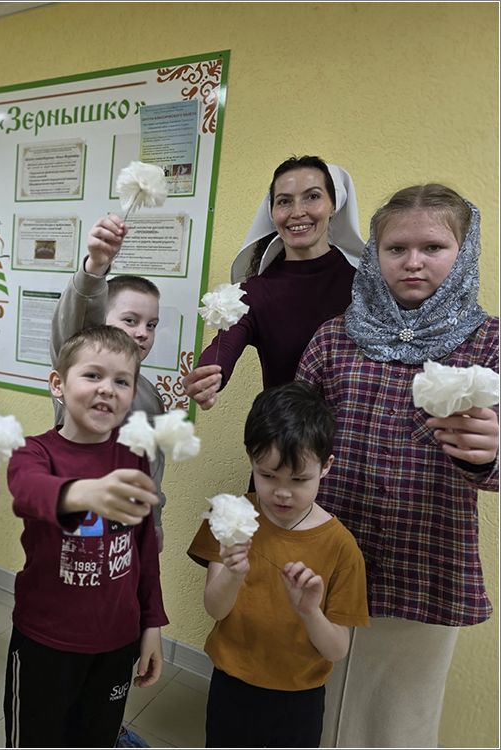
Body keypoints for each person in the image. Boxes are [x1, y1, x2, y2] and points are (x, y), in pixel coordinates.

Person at [297, 184, 498, 747]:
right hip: (329, 550)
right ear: (374, 254)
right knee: (314, 697)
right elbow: (292, 433)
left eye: (433, 247)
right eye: (395, 248)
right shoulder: (334, 338)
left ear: (464, 251)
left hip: (424, 561)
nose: (413, 262)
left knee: (401, 716)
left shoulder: (488, 344)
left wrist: (490, 452)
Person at [4, 326, 168, 748]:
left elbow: (145, 548)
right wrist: (82, 493)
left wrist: (151, 623)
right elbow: (26, 491)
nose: (107, 389)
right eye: (92, 375)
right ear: (58, 384)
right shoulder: (34, 452)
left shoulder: (134, 456)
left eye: (122, 381)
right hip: (45, 641)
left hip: (116, 642)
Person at [187, 382, 369, 747]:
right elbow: (215, 609)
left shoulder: (340, 547)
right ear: (251, 458)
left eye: (299, 480)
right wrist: (233, 574)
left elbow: (336, 650)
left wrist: (310, 612)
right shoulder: (229, 517)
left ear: (326, 466)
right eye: (268, 475)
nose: (282, 492)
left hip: (298, 699)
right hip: (231, 683)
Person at [183, 156, 365, 411]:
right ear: (271, 212)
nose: (297, 212)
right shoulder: (255, 292)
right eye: (284, 201)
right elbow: (226, 343)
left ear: (334, 205)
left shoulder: (365, 285)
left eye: (312, 197)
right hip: (286, 431)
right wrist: (208, 375)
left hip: (355, 430)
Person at [52, 221, 167, 552]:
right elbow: (74, 321)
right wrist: (95, 267)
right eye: (130, 320)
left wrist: (154, 520)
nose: (142, 332)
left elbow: (153, 467)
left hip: (131, 532)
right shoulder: (79, 375)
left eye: (151, 325)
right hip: (81, 526)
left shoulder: (149, 394)